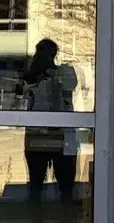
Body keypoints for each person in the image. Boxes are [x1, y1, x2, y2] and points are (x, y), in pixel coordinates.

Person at [22, 39, 79, 203]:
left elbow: (70, 85)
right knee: (39, 184)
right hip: (40, 134)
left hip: (57, 134)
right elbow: (23, 95)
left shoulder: (64, 72)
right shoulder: (31, 78)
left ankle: (55, 219)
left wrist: (52, 74)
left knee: (61, 185)